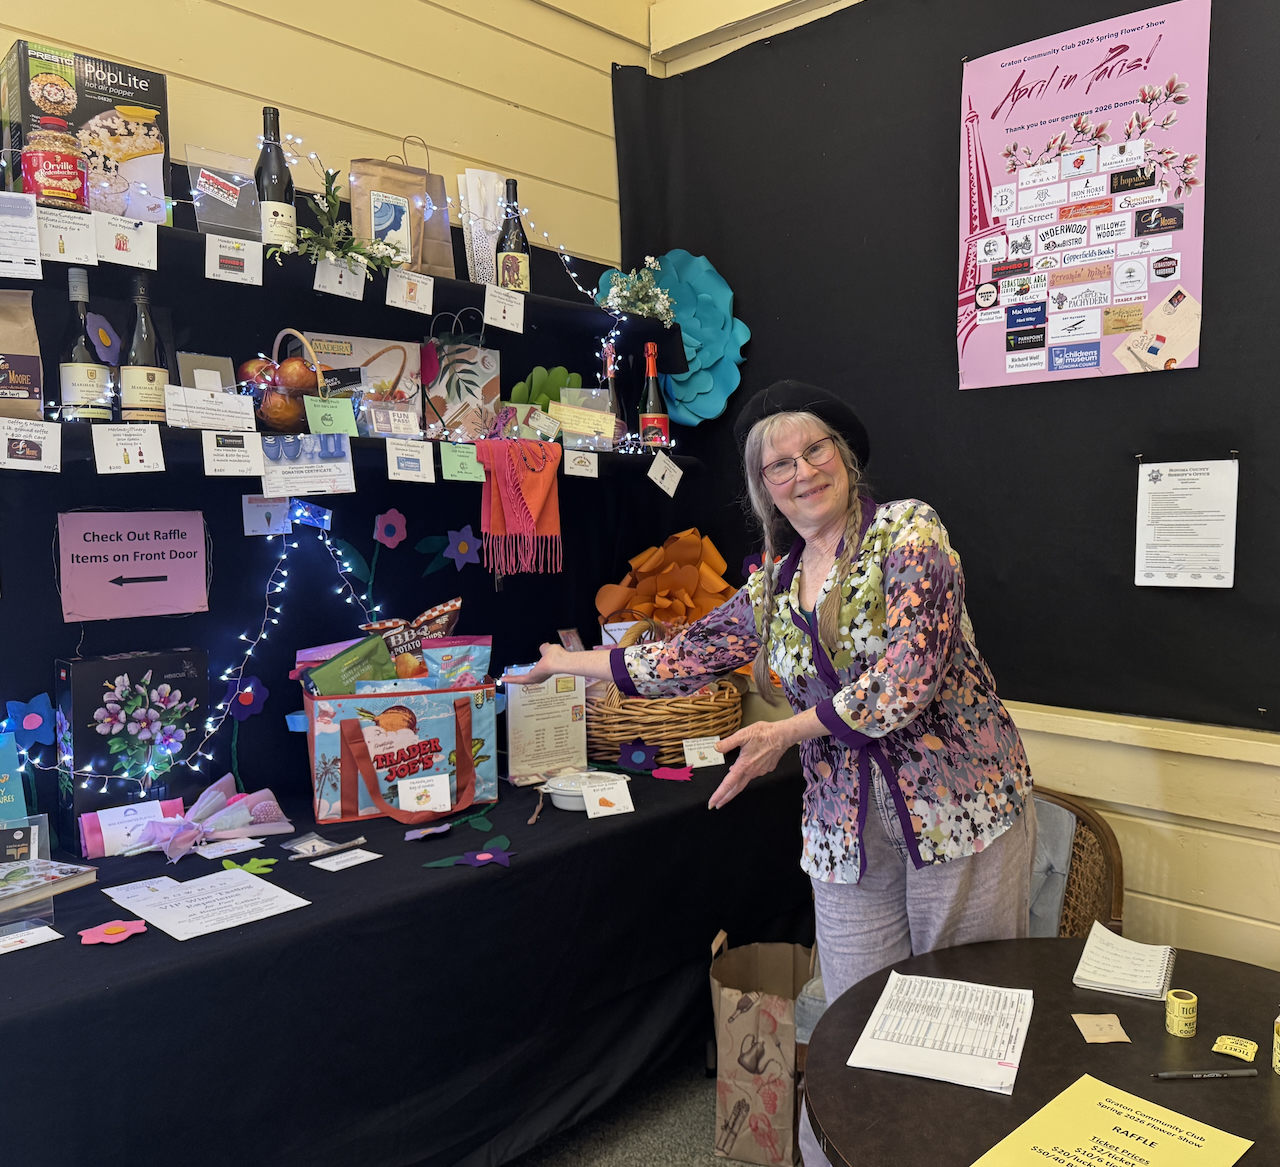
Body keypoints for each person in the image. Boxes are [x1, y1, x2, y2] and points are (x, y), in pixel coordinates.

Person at [506, 381, 1034, 1164]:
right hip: (844, 828)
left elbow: (907, 678)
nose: (801, 471)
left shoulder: (909, 531)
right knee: (854, 1019)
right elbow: (683, 654)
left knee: (960, 1012)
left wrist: (785, 732)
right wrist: (568, 662)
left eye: (815, 450)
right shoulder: (773, 584)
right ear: (763, 486)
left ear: (845, 458)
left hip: (960, 809)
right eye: (778, 463)